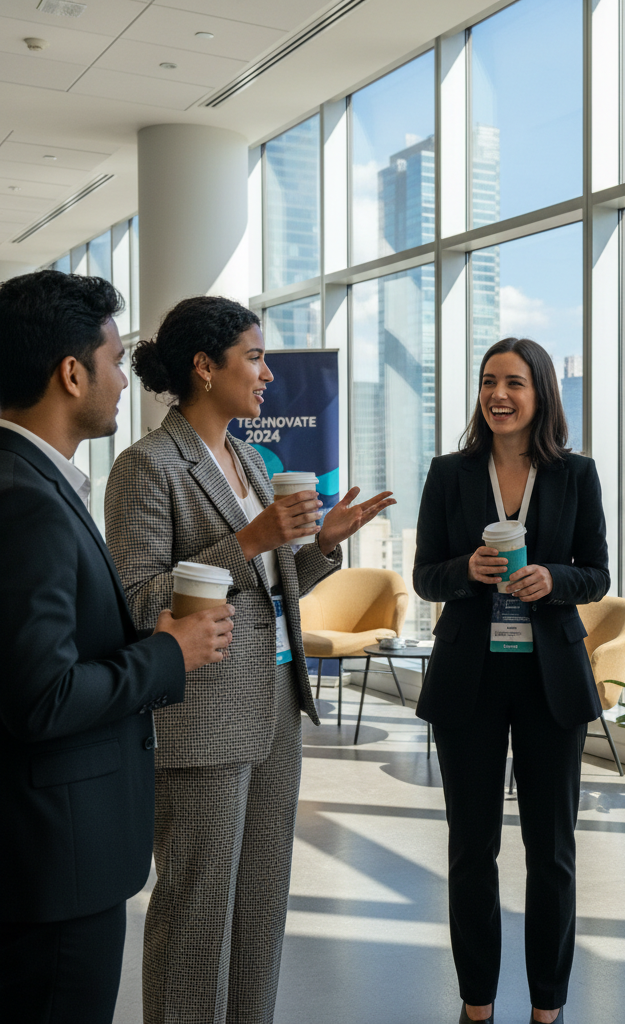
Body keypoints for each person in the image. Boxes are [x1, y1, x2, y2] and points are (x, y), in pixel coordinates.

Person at [104, 295, 394, 1024]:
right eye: (255, 357)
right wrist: (255, 540)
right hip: (201, 715)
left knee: (260, 906)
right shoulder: (147, 467)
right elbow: (139, 599)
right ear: (205, 368)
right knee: (196, 912)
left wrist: (321, 544)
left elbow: (274, 586)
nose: (267, 374)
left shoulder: (249, 462)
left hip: (274, 707)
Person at [0, 272, 234, 1024]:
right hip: (55, 863)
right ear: (70, 374)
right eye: (109, 361)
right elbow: (42, 695)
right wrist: (170, 652)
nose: (121, 381)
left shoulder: (34, 480)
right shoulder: (28, 500)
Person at [413, 337, 608, 1024]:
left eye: (514, 383)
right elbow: (423, 574)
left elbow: (598, 574)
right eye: (489, 381)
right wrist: (465, 570)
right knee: (472, 849)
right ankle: (477, 1005)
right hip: (469, 677)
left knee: (551, 852)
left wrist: (554, 579)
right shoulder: (448, 473)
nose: (498, 394)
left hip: (549, 680)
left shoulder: (576, 475)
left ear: (540, 393)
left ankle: (548, 1008)